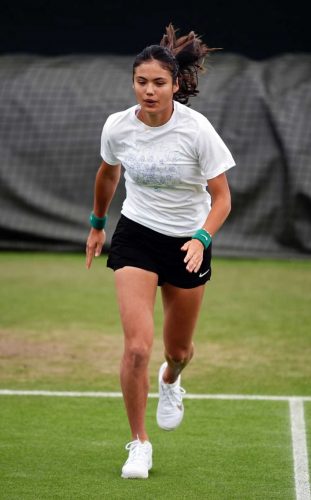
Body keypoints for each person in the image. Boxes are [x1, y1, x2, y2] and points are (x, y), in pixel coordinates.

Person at [86, 23, 235, 479]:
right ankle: (139, 443)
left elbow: (223, 197)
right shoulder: (118, 126)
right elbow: (108, 174)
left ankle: (172, 380)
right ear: (133, 83)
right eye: (141, 82)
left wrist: (202, 238)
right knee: (136, 348)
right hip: (137, 235)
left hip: (190, 241)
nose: (149, 91)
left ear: (175, 85)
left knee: (179, 350)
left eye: (159, 83)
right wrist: (97, 223)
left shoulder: (196, 130)